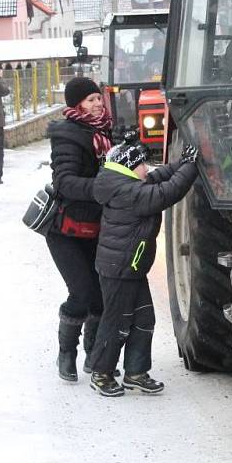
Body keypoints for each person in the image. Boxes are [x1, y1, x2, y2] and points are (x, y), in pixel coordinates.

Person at [88, 140, 200, 396]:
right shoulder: (130, 193)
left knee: (144, 319)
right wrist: (191, 167)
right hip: (118, 269)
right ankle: (101, 372)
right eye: (141, 165)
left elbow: (159, 176)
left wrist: (181, 163)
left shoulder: (125, 182)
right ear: (128, 168)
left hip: (132, 267)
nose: (147, 168)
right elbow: (167, 192)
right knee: (116, 322)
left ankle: (135, 372)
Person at [46, 77, 113, 382]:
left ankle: (94, 354)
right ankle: (67, 353)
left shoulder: (106, 133)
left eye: (98, 98)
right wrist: (104, 187)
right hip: (67, 230)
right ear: (76, 105)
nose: (97, 104)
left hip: (98, 226)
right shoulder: (68, 136)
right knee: (82, 292)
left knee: (100, 294)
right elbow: (65, 182)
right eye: (90, 100)